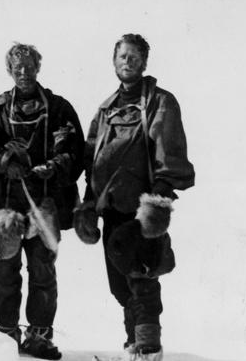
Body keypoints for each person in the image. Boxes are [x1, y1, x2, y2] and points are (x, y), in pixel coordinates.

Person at [77, 34, 195, 361]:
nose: (127, 62)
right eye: (122, 57)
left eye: (133, 57)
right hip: (110, 208)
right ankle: (133, 345)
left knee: (142, 279)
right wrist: (88, 203)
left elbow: (169, 152)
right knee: (120, 286)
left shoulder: (160, 102)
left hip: (141, 208)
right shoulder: (105, 109)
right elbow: (92, 160)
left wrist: (157, 202)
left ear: (144, 62)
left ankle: (148, 348)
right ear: (113, 61)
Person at [0, 43, 84, 360]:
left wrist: (56, 165)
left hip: (44, 203)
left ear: (38, 67)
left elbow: (75, 151)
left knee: (43, 270)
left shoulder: (59, 108)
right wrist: (3, 160)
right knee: (4, 271)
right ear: (9, 71)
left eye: (29, 67)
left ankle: (40, 338)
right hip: (5, 204)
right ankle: (6, 336)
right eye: (17, 68)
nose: (24, 73)